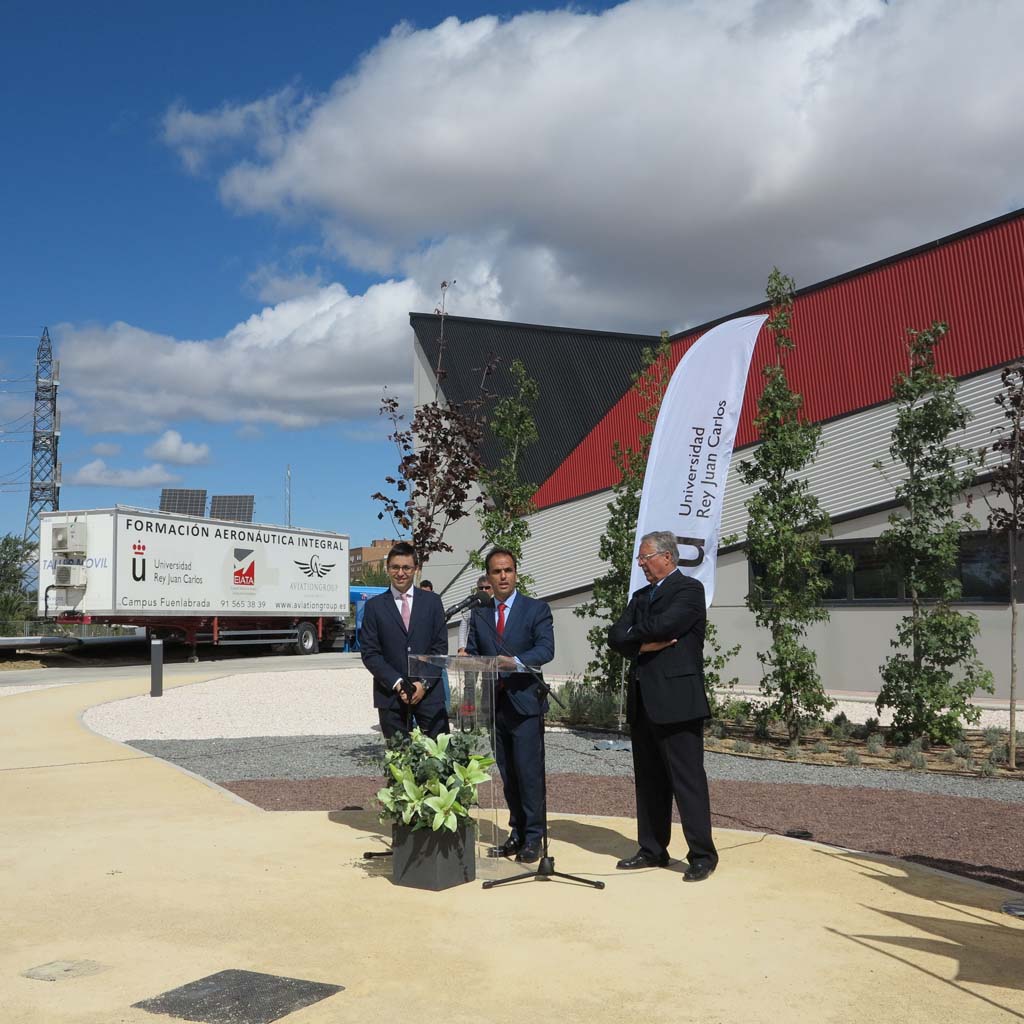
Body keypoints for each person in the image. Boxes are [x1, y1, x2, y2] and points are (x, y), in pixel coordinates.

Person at [607, 529, 718, 883]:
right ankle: (652, 849)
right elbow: (614, 636)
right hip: (644, 703)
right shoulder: (640, 596)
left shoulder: (689, 590)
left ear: (667, 557)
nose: (640, 564)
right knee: (649, 782)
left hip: (678, 702)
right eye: (640, 559)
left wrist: (633, 636)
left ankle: (702, 854)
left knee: (687, 781)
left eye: (645, 557)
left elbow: (668, 624)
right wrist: (642, 646)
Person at [466, 548, 554, 864]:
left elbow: (546, 648)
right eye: (496, 571)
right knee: (508, 774)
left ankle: (534, 838)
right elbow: (475, 652)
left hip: (526, 704)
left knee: (529, 774)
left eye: (508, 570)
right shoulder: (480, 614)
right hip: (495, 704)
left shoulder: (536, 609)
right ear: (488, 576)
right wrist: (469, 659)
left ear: (516, 573)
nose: (503, 576)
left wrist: (515, 662)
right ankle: (516, 832)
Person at [360, 542, 449, 739]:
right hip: (391, 697)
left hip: (429, 695)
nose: (400, 573)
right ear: (388, 569)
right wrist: (397, 682)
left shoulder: (432, 602)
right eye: (395, 567)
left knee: (441, 760)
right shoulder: (374, 607)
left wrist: (423, 684)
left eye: (406, 567)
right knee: (400, 762)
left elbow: (439, 649)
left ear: (415, 569)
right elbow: (370, 653)